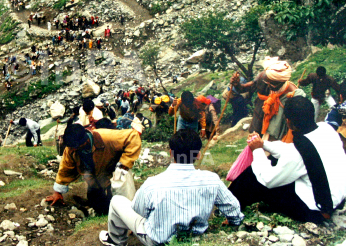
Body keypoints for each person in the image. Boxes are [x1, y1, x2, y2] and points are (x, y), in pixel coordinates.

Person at [99, 129, 243, 246]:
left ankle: (117, 241)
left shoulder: (152, 184)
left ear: (170, 153)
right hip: (195, 236)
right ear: (198, 155)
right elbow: (234, 208)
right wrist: (233, 221)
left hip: (157, 241)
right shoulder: (212, 180)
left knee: (117, 200)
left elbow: (138, 210)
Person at [229, 96, 346, 223]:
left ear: (288, 121)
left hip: (316, 211)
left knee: (255, 174)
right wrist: (262, 144)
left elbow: (267, 179)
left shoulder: (297, 153)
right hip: (337, 200)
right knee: (271, 160)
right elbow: (290, 149)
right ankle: (233, 201)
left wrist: (257, 150)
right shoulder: (326, 128)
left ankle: (229, 205)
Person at [46, 121, 142, 215]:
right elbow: (66, 169)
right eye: (71, 147)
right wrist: (58, 192)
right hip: (94, 179)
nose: (73, 149)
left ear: (85, 140)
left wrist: (124, 163)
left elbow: (133, 136)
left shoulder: (106, 137)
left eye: (76, 146)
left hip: (112, 172)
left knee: (118, 202)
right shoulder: (71, 149)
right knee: (96, 203)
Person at [231, 58, 306, 142]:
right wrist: (237, 84)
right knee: (255, 135)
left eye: (273, 83)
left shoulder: (292, 92)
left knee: (275, 140)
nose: (269, 86)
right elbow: (244, 89)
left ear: (283, 81)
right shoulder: (263, 77)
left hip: (278, 122)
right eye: (267, 83)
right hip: (261, 109)